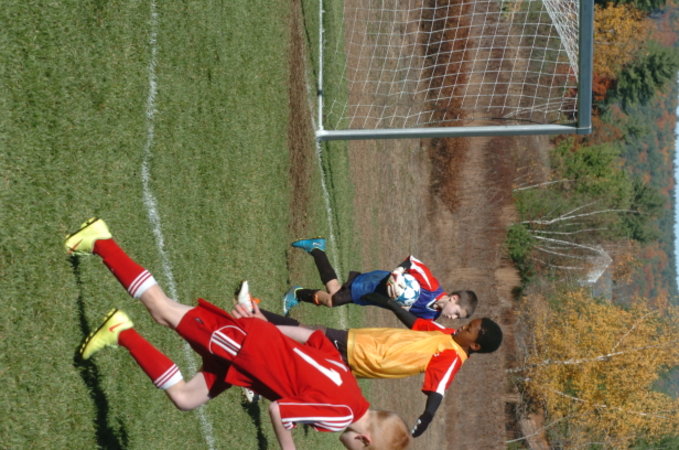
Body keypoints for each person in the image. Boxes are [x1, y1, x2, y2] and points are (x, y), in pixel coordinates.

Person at [65, 217, 411, 450]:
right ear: (364, 442)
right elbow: (280, 411)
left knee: (186, 398)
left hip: (247, 363)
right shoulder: (341, 417)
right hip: (244, 349)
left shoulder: (349, 385)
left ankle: (119, 332)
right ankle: (101, 241)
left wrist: (266, 323)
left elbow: (312, 338)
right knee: (162, 309)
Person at [238, 285, 502, 438]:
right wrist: (390, 304)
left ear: (475, 346)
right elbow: (417, 325)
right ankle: (257, 365)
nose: (462, 327)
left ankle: (252, 318)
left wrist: (428, 416)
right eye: (467, 323)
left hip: (363, 354)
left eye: (469, 329)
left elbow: (439, 389)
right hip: (363, 343)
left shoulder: (452, 357)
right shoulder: (448, 335)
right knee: (303, 352)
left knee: (308, 336)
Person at [283, 237, 478, 322]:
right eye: (456, 313)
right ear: (453, 298)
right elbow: (413, 262)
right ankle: (297, 294)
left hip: (378, 298)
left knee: (334, 291)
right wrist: (397, 274)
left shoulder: (431, 316)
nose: (452, 318)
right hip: (377, 282)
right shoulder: (431, 286)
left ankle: (317, 248)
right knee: (333, 300)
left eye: (457, 318)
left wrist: (400, 307)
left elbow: (410, 320)